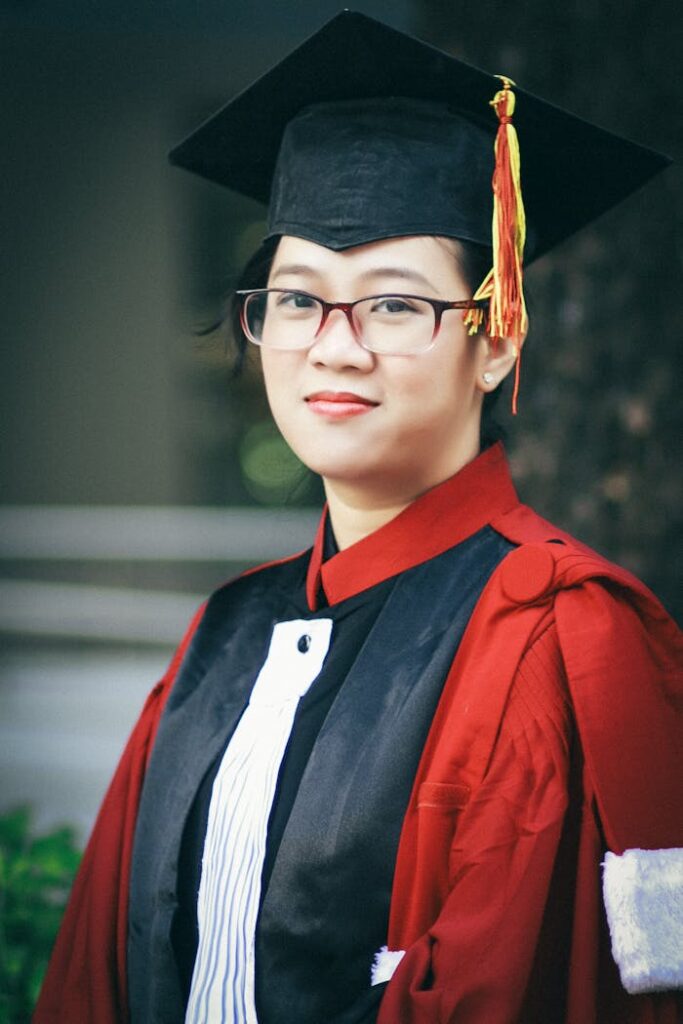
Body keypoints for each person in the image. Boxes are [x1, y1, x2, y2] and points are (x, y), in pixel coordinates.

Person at [35, 11, 682, 1024]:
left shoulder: (559, 631)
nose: (332, 347)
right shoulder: (221, 637)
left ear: (496, 338)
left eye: (392, 304)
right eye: (296, 299)